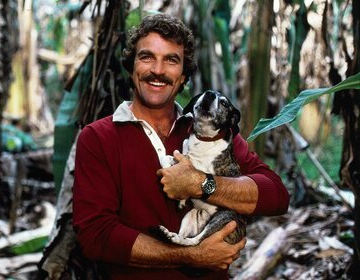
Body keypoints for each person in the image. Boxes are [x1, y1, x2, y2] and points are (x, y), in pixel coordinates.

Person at [72, 13, 289, 280]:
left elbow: (276, 195)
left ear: (184, 77)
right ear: (131, 68)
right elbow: (95, 236)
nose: (158, 70)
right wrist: (191, 255)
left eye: (171, 60)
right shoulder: (98, 138)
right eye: (147, 57)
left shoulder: (211, 130)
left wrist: (202, 184)